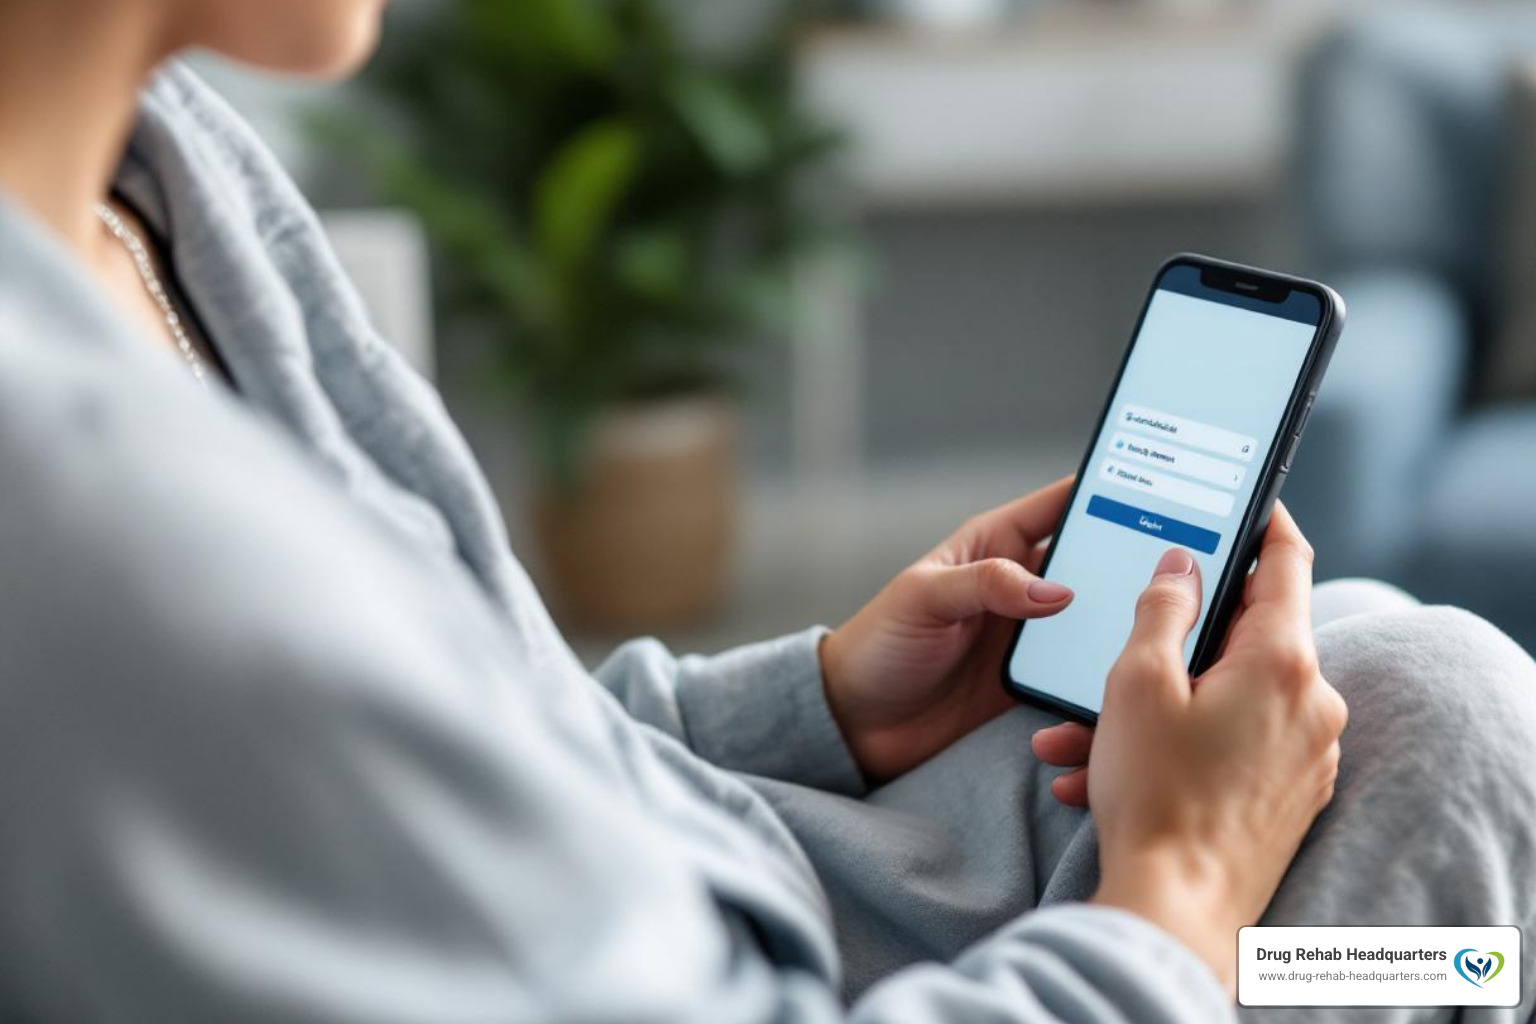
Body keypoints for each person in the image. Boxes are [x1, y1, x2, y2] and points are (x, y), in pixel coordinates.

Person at [0, 1, 1532, 1022]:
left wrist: (817, 705)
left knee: (1386, 686)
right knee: (1445, 788)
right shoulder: (93, 528)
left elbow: (454, 735)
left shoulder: (161, 167)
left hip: (723, 855)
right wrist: (1180, 889)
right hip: (765, 964)